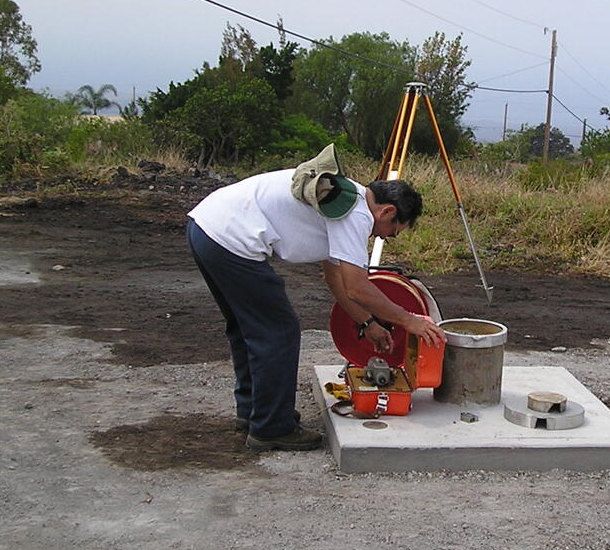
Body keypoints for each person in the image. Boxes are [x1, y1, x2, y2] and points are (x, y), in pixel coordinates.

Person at [186, 145, 446, 451]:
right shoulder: (356, 215)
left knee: (248, 329)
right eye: (392, 230)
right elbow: (358, 287)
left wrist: (368, 324)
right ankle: (271, 427)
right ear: (387, 211)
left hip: (205, 228)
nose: (385, 237)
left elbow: (336, 279)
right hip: (231, 240)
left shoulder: (342, 198)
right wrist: (409, 320)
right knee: (278, 332)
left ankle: (255, 412)